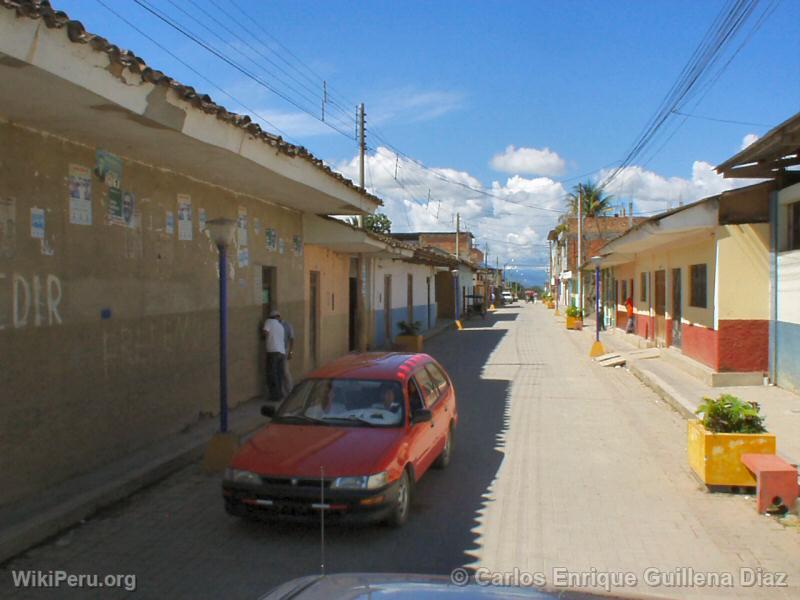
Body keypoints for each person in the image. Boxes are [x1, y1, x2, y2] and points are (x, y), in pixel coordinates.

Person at [262, 309, 286, 403]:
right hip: (281, 352)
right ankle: (279, 393)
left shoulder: (269, 321)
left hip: (273, 352)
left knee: (272, 374)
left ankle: (274, 395)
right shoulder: (281, 326)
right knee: (279, 374)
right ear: (277, 317)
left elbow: (265, 332)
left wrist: (263, 335)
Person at [279, 316, 295, 398]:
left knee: (285, 371)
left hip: (285, 350)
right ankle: (282, 392)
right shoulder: (276, 325)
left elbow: (292, 339)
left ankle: (290, 390)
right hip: (278, 351)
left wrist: (291, 352)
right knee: (279, 372)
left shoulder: (287, 325)